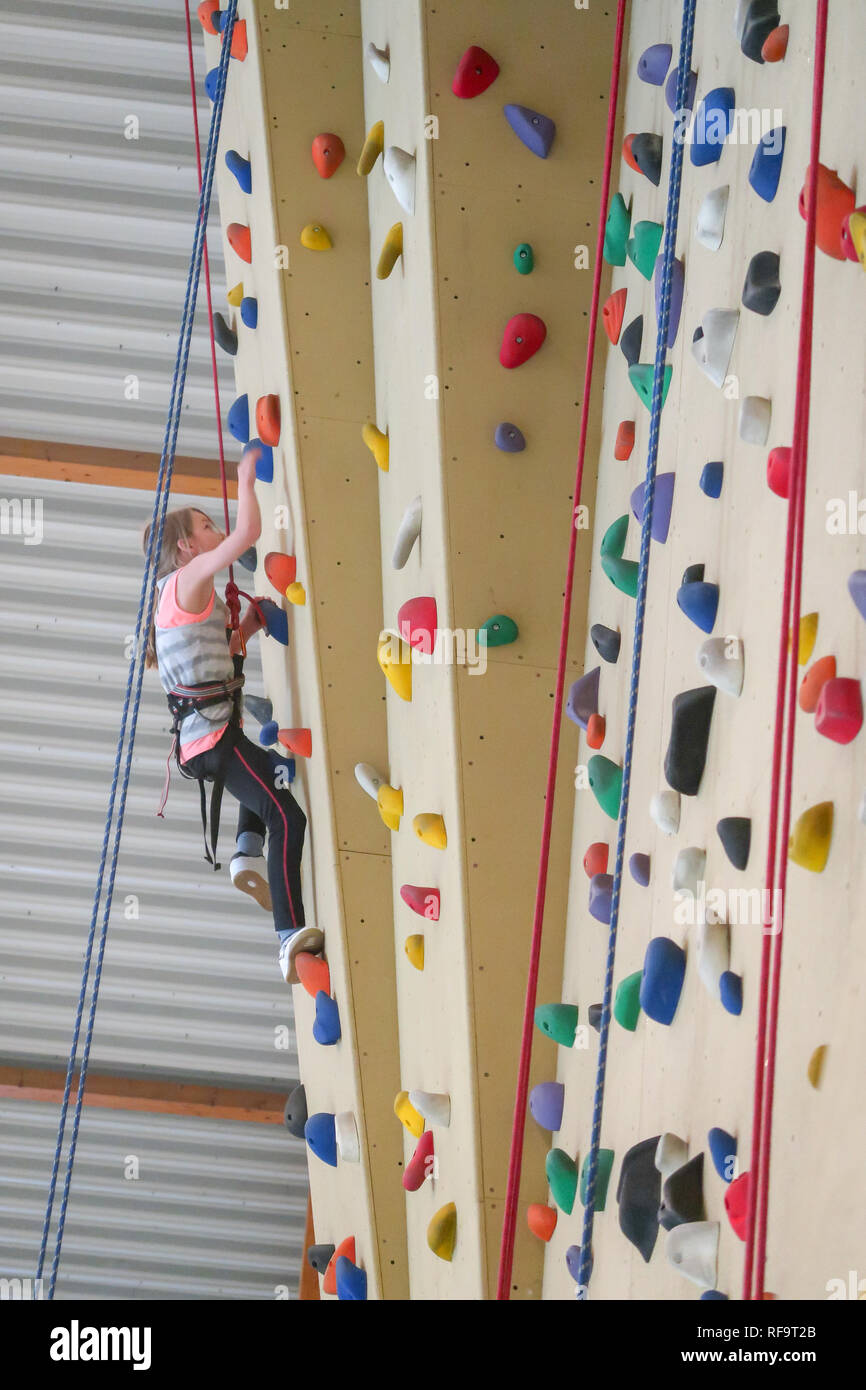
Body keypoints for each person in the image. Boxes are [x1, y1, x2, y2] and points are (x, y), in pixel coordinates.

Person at [142, 444, 323, 983]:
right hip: (212, 742)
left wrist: (246, 628)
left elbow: (212, 662)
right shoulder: (187, 580)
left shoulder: (175, 598)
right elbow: (248, 536)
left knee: (273, 770)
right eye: (205, 525)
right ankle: (290, 935)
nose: (217, 529)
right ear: (185, 548)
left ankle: (246, 853)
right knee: (287, 814)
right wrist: (247, 479)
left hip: (207, 742)